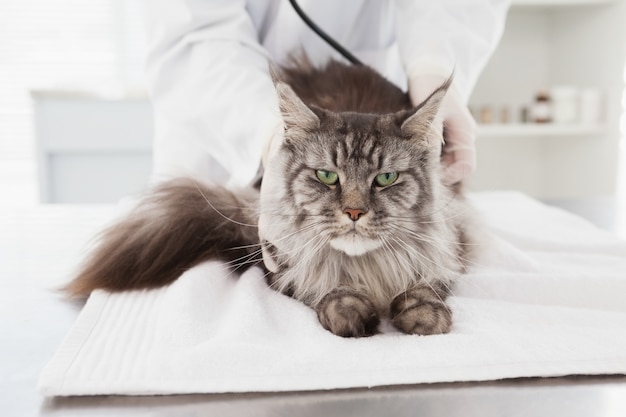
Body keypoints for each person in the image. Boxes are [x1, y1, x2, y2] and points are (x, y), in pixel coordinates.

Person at [143, 0, 511, 187]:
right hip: (219, 139)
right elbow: (193, 31)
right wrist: (270, 134)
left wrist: (433, 64)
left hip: (385, 104)